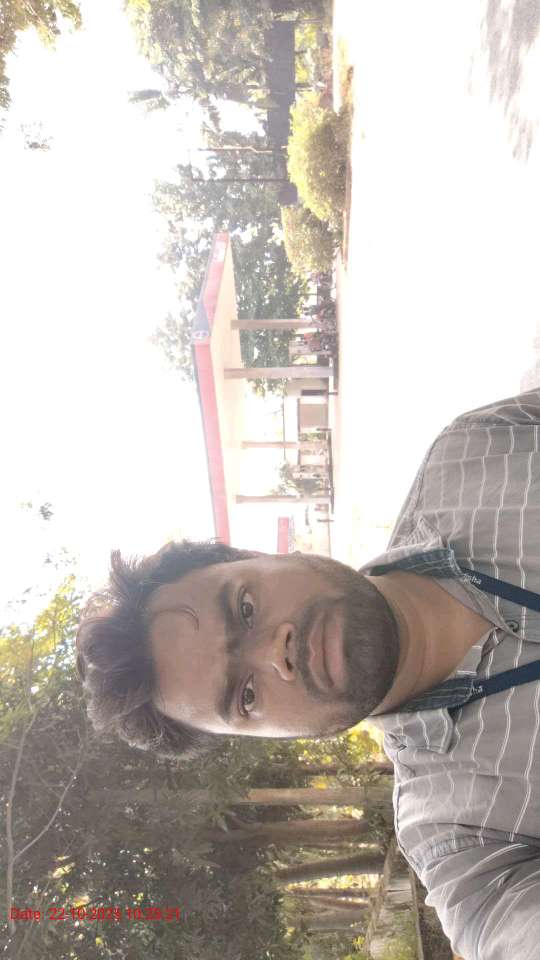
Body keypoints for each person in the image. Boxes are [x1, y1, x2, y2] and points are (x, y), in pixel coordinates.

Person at [76, 387, 540, 960]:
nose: (277, 654)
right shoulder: (463, 842)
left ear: (257, 554)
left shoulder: (476, 450)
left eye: (246, 608)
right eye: (245, 695)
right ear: (266, 737)